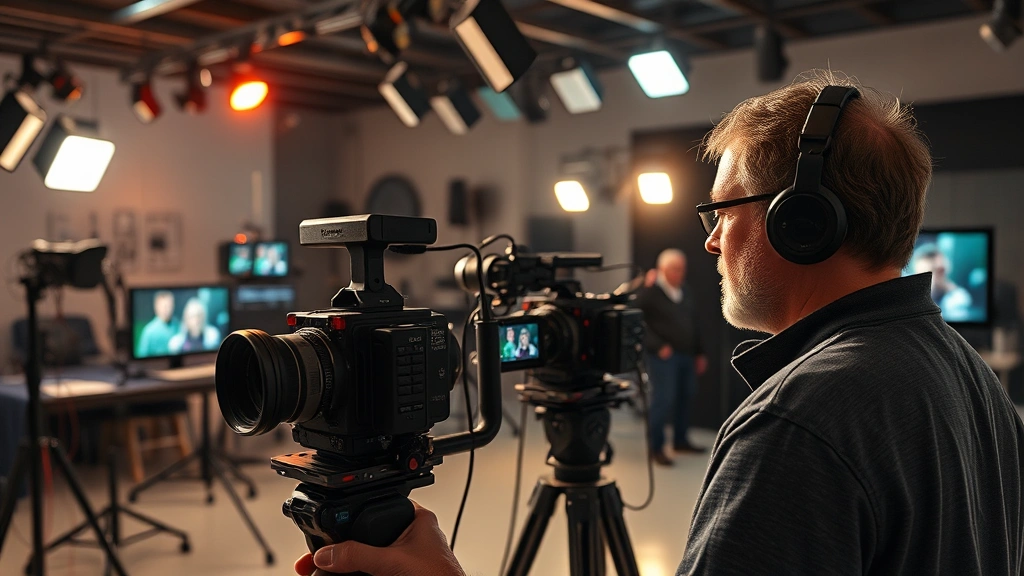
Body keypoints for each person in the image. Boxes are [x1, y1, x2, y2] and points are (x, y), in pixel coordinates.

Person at [293, 71, 1024, 576]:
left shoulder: (802, 419)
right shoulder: (968, 376)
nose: (709, 241)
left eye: (720, 212)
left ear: (799, 220)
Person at [635, 249, 708, 466]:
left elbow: (693, 323)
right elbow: (637, 322)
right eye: (675, 269)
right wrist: (656, 346)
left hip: (686, 355)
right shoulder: (649, 292)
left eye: (682, 269)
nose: (680, 273)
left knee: (686, 396)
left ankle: (680, 440)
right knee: (663, 399)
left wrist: (699, 352)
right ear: (663, 270)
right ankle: (656, 447)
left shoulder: (684, 291)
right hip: (663, 357)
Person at [910, 243, 973, 320]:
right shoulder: (911, 301)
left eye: (937, 272)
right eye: (922, 275)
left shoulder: (958, 298)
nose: (930, 280)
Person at [136, 290, 178, 357]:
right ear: (156, 307)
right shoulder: (149, 331)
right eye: (164, 306)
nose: (166, 310)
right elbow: (142, 357)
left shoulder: (178, 325)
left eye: (169, 306)